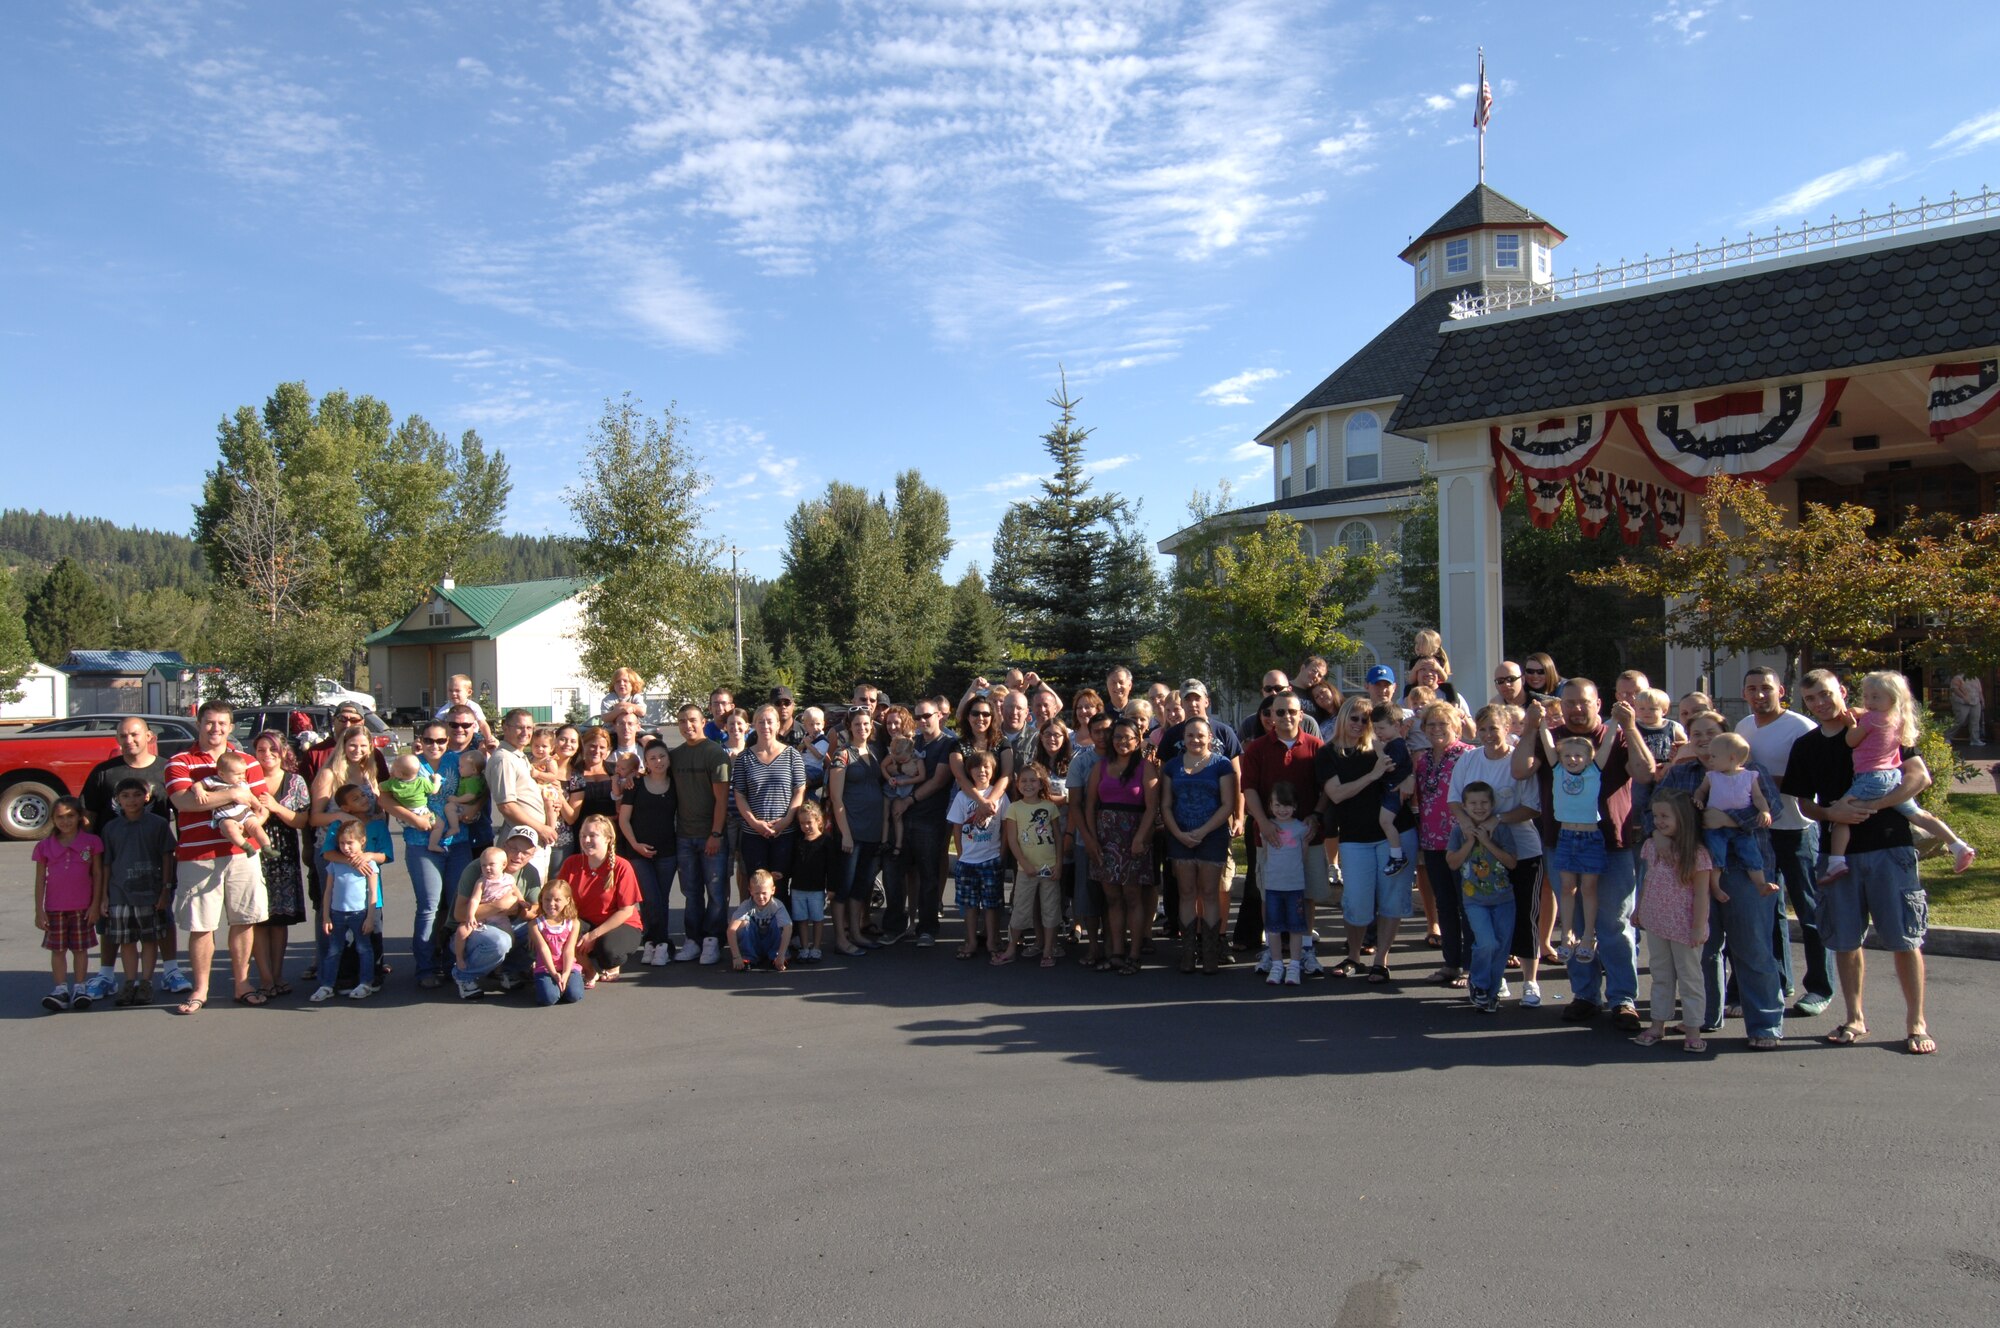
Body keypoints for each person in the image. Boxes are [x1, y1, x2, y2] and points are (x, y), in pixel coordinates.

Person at [1785, 670, 1938, 1055]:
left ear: (1842, 692)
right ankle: (1854, 1017)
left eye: (1825, 694)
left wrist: (1872, 806)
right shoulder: (1806, 746)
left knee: (1905, 939)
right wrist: (1832, 812)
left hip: (1891, 849)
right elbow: (1804, 804)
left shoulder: (1881, 723)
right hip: (1839, 856)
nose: (1820, 703)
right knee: (1846, 940)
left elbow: (1919, 777)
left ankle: (1916, 1023)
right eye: (1811, 699)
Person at [1514, 681, 1655, 1031]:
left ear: (1598, 703)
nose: (1577, 709)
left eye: (1584, 703)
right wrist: (1531, 726)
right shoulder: (1554, 736)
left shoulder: (1616, 735)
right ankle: (1585, 994)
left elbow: (1646, 773)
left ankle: (1623, 998)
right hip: (1561, 841)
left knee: (1615, 924)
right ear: (1561, 704)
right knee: (1573, 922)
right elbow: (1520, 769)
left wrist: (1633, 727)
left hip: (1613, 843)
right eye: (1570, 703)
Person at [1653, 710, 1787, 1045]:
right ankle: (1705, 1016)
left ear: (1726, 737)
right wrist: (1664, 835)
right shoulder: (1682, 774)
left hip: (1745, 870)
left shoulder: (1752, 772)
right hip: (1692, 872)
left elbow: (1771, 808)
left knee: (1752, 947)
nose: (1702, 739)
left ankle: (1764, 1025)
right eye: (1695, 734)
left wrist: (1727, 820)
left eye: (1710, 733)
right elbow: (1653, 811)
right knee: (1703, 947)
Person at [1736, 667, 1833, 1016]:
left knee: (1810, 912)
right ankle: (1779, 978)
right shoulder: (1744, 727)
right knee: (1768, 910)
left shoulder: (1800, 728)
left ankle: (1820, 988)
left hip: (1798, 830)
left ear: (1781, 690)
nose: (1759, 695)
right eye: (1752, 689)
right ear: (1744, 693)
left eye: (1766, 688)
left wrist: (1758, 779)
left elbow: (1813, 780)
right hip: (1761, 833)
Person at [165, 699, 271, 1013]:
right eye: (210, 722)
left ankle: (242, 984)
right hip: (198, 854)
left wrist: (251, 822)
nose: (216, 729)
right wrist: (236, 794)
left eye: (222, 723)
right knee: (202, 925)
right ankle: (200, 989)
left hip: (242, 854)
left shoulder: (248, 762)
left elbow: (261, 804)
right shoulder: (180, 761)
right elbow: (184, 802)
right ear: (198, 724)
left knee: (244, 920)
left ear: (231, 727)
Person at [1820, 671, 1974, 880]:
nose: (1869, 701)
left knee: (1841, 815)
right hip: (1893, 777)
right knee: (1919, 815)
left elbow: (1851, 741)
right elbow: (1872, 713)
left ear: (1891, 699)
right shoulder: (1897, 718)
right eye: (1866, 696)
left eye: (1875, 697)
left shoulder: (1870, 720)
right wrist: (1864, 710)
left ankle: (1836, 862)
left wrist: (1852, 725)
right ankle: (1957, 845)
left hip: (1871, 777)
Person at [78, 714, 186, 1000]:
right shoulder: (104, 772)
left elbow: (181, 812)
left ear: (148, 736)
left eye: (135, 734)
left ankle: (171, 971)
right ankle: (105, 975)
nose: (130, 740)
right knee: (112, 922)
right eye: (124, 736)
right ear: (117, 739)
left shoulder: (167, 769)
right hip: (114, 864)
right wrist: (91, 858)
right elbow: (87, 818)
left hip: (155, 865)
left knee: (161, 918)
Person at [1447, 704, 1546, 1005]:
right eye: (1484, 728)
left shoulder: (1520, 758)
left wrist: (1497, 821)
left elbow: (1532, 806)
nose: (1489, 734)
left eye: (1495, 728)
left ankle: (1530, 981)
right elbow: (1454, 799)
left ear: (1507, 728)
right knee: (1487, 921)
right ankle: (1495, 977)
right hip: (1478, 855)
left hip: (1522, 849)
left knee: (1525, 918)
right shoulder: (1469, 759)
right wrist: (1467, 823)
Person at [1633, 788, 1720, 1051]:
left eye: (1665, 816)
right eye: (1656, 815)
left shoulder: (1698, 854)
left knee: (1690, 977)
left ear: (1682, 818)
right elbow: (1647, 879)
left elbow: (1702, 895)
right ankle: (1657, 1024)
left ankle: (1693, 1029)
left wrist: (1697, 926)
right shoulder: (1652, 846)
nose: (1658, 821)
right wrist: (1639, 909)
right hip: (1657, 921)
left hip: (1684, 927)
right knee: (1661, 975)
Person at [1081, 717, 1156, 976]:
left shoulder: (1145, 768)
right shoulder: (1100, 767)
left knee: (1133, 897)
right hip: (1105, 839)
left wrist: (1141, 837)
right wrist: (1091, 838)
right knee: (1112, 898)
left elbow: (1152, 807)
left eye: (1128, 737)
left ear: (1137, 741)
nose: (1123, 742)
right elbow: (1089, 805)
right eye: (1118, 737)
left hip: (1134, 839)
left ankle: (1134, 955)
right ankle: (1116, 953)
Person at [1162, 717, 1237, 975]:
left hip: (1212, 837)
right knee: (1186, 893)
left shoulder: (1222, 765)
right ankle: (1187, 952)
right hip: (1180, 836)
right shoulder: (1172, 766)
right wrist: (1179, 834)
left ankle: (1210, 953)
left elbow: (1227, 803)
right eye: (1190, 735)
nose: (1195, 740)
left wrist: (1203, 831)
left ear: (1209, 738)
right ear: (1184, 738)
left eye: (1200, 735)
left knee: (1209, 893)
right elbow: (1165, 805)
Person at [887, 698, 959, 948]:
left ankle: (927, 927)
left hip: (930, 818)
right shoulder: (912, 742)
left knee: (928, 876)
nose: (922, 721)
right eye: (917, 717)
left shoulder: (948, 743)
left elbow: (939, 780)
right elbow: (893, 765)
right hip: (903, 819)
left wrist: (909, 800)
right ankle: (897, 925)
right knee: (898, 874)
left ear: (939, 715)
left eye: (926, 716)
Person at [1544, 730, 1621, 961]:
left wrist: (1616, 721)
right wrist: (1542, 723)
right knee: (1566, 887)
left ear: (1588, 759)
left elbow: (1606, 745)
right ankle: (1567, 935)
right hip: (1566, 836)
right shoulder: (1558, 770)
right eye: (1567, 756)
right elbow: (1548, 745)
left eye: (1578, 756)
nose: (1572, 760)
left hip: (1590, 838)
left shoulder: (1593, 772)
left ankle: (1588, 936)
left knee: (1588, 888)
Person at [100, 778, 175, 1004]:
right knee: (127, 941)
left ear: (146, 797)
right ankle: (129, 982)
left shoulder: (158, 824)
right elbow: (106, 864)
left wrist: (165, 890)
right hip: (119, 893)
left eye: (136, 795)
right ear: (117, 800)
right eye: (125, 796)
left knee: (149, 939)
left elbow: (167, 857)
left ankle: (146, 982)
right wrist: (104, 896)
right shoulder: (111, 828)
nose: (131, 800)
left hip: (150, 893)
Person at [250, 729, 313, 998]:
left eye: (272, 750)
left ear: (283, 752)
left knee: (279, 920)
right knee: (257, 919)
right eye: (261, 750)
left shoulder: (295, 781)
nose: (267, 756)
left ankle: (277, 975)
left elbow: (302, 821)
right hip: (253, 853)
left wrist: (275, 807)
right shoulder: (247, 780)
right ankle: (265, 978)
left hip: (284, 854)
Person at [448, 825, 545, 999]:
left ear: (532, 855)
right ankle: (463, 975)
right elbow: (459, 914)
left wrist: (528, 916)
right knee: (501, 941)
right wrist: (499, 905)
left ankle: (508, 971)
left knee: (542, 928)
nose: (518, 856)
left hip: (505, 924)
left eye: (526, 852)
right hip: (471, 929)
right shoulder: (481, 868)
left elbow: (535, 907)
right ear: (505, 846)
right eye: (514, 848)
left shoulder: (529, 872)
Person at [669, 705, 731, 965]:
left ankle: (712, 940)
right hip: (684, 835)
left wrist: (715, 834)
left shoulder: (715, 754)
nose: (687, 726)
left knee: (716, 892)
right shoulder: (676, 755)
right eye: (682, 721)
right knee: (691, 892)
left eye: (692, 720)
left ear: (703, 722)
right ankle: (693, 940)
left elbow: (721, 800)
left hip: (711, 835)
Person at [1446, 782, 1517, 1013]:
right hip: (1474, 900)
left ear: (1493, 804)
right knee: (1486, 942)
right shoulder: (1459, 831)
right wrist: (1470, 842)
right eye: (1473, 803)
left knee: (1501, 948)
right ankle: (1479, 983)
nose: (1479, 807)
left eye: (1484, 803)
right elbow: (1453, 863)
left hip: (1504, 899)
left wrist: (1486, 841)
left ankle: (1492, 991)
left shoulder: (1501, 829)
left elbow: (1511, 862)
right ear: (1464, 806)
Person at [33, 797, 104, 1011]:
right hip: (55, 908)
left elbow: (98, 874)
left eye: (70, 816)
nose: (66, 821)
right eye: (60, 817)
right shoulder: (44, 846)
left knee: (80, 949)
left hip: (83, 907)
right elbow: (40, 879)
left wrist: (95, 905)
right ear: (53, 819)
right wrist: (39, 910)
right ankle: (60, 989)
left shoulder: (91, 842)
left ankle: (80, 987)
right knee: (58, 950)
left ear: (80, 817)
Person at [828, 707, 889, 956]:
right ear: (849, 727)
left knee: (861, 886)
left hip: (872, 831)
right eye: (857, 725)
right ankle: (841, 938)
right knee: (843, 886)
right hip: (850, 831)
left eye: (866, 724)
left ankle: (855, 932)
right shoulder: (842, 755)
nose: (862, 728)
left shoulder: (875, 753)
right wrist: (845, 833)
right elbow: (835, 797)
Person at [556, 814, 642, 984]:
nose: (586, 840)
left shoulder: (621, 866)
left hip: (620, 924)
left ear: (608, 839)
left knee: (609, 952)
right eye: (582, 835)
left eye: (592, 835)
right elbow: (558, 900)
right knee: (561, 934)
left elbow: (626, 911)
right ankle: (589, 970)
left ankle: (610, 963)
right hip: (585, 921)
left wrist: (593, 936)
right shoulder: (571, 863)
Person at [735, 705, 807, 906]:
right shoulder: (744, 758)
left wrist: (786, 821)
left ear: (777, 725)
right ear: (753, 725)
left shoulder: (792, 755)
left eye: (769, 721)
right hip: (753, 834)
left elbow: (799, 790)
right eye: (761, 721)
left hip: (784, 832)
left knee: (780, 884)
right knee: (757, 885)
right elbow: (739, 794)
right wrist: (755, 823)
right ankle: (758, 932)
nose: (765, 725)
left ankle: (782, 932)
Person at [618, 740, 679, 967]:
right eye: (652, 758)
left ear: (668, 758)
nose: (658, 761)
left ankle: (658, 945)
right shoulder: (636, 785)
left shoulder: (675, 785)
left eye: (662, 756)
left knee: (661, 899)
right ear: (646, 762)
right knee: (649, 898)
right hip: (637, 852)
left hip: (667, 852)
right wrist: (635, 844)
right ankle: (657, 941)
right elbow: (624, 819)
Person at [311, 817, 383, 1003]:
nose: (346, 847)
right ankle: (327, 985)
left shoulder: (370, 866)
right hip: (337, 914)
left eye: (350, 843)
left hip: (359, 914)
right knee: (334, 950)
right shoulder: (335, 864)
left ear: (362, 842)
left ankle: (365, 982)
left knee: (363, 948)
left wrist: (370, 918)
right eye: (342, 843)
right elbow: (328, 892)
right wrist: (326, 916)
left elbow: (373, 893)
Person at [1692, 733, 1774, 895]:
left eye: (1714, 756)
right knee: (1716, 855)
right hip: (1714, 827)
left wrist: (1764, 810)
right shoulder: (1712, 776)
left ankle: (1761, 884)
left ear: (1732, 758)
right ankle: (1715, 886)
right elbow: (1701, 791)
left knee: (1751, 853)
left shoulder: (1749, 776)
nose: (1710, 760)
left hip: (1741, 828)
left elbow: (1758, 797)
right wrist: (1698, 799)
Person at [999, 763, 1063, 967]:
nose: (1028, 784)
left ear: (1041, 783)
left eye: (1033, 780)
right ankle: (1011, 948)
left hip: (1049, 867)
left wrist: (1059, 864)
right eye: (1024, 781)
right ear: (1017, 784)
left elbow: (1058, 838)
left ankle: (1047, 950)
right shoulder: (1014, 808)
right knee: (1020, 909)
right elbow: (1012, 840)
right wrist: (1024, 863)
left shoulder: (1050, 807)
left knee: (1050, 909)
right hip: (1026, 870)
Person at [948, 749, 1010, 961]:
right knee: (970, 904)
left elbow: (1005, 827)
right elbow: (957, 827)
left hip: (991, 858)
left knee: (992, 904)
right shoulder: (962, 795)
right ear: (969, 771)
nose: (982, 771)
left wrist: (1001, 854)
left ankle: (993, 940)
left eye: (986, 767)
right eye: (977, 767)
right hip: (967, 860)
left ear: (993, 771)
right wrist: (961, 853)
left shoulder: (1000, 796)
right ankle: (971, 940)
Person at [1250, 781, 1310, 987]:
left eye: (1286, 805)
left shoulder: (1301, 829)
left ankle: (1294, 965)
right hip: (1273, 886)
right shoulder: (1267, 828)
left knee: (1295, 928)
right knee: (1273, 928)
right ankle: (1277, 964)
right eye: (1277, 805)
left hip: (1294, 886)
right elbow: (1265, 854)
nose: (1282, 810)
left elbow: (1303, 856)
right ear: (1270, 806)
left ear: (1295, 806)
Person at [489, 708, 559, 883]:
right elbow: (506, 806)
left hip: (533, 839)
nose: (525, 733)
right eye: (519, 727)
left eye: (529, 728)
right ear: (505, 728)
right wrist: (542, 828)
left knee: (535, 894)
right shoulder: (504, 759)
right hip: (519, 842)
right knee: (518, 897)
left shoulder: (519, 756)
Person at [453, 846, 524, 972]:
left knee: (509, 939)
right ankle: (459, 958)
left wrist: (522, 901)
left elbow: (515, 891)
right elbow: (474, 900)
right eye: (483, 865)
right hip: (482, 917)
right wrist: (470, 916)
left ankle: (499, 965)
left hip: (500, 918)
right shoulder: (481, 882)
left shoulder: (509, 879)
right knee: (462, 931)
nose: (487, 868)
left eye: (491, 864)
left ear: (503, 865)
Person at [528, 876, 585, 1006]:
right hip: (546, 968)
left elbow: (569, 950)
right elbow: (544, 949)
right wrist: (554, 973)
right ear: (541, 899)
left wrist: (565, 973)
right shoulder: (535, 925)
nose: (551, 904)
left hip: (567, 966)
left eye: (557, 900)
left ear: (567, 900)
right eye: (547, 899)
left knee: (574, 995)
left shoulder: (573, 923)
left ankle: (568, 982)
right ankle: (547, 985)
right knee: (549, 999)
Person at [204, 752, 272, 855]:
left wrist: (258, 806)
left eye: (243, 773)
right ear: (222, 774)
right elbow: (197, 785)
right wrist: (199, 791)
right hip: (226, 816)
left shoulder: (242, 784)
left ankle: (266, 847)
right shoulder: (214, 781)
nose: (242, 777)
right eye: (237, 774)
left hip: (245, 813)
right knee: (229, 829)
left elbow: (250, 797)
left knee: (256, 827)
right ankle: (246, 846)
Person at [790, 800, 833, 962]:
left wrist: (831, 887)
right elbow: (791, 863)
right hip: (798, 888)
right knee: (801, 919)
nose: (806, 826)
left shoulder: (826, 842)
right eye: (802, 823)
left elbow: (831, 867)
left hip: (817, 889)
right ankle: (804, 947)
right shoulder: (798, 841)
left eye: (809, 822)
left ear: (819, 821)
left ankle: (816, 947)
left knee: (817, 918)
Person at [727, 869, 792, 972]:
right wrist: (736, 956)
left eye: (764, 893)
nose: (761, 897)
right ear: (750, 891)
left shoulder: (777, 906)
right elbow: (731, 930)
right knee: (744, 922)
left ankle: (776, 956)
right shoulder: (746, 905)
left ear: (773, 890)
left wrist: (781, 955)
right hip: (755, 942)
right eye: (757, 893)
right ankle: (748, 956)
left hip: (771, 942)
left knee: (779, 923)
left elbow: (788, 928)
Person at [882, 734, 924, 855]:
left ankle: (898, 846)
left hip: (904, 790)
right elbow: (883, 766)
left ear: (910, 753)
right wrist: (889, 778)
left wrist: (905, 781)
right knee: (884, 813)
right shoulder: (894, 754)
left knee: (897, 815)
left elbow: (922, 776)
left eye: (903, 760)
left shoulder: (917, 758)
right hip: (891, 787)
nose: (900, 762)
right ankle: (884, 841)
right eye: (897, 760)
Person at [434, 673, 494, 744]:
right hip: (453, 737)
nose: (453, 693)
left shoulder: (473, 706)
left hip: (472, 736)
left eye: (457, 691)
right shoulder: (446, 708)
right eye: (450, 690)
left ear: (469, 692)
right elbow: (436, 722)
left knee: (480, 744)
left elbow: (482, 724)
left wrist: (489, 738)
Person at [1949, 670, 1984, 744]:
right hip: (1962, 702)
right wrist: (1963, 697)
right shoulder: (1958, 678)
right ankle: (1946, 737)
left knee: (1975, 720)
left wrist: (1982, 700)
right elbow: (1955, 689)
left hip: (1975, 701)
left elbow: (1979, 691)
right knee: (1960, 720)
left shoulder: (1976, 678)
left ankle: (1975, 740)